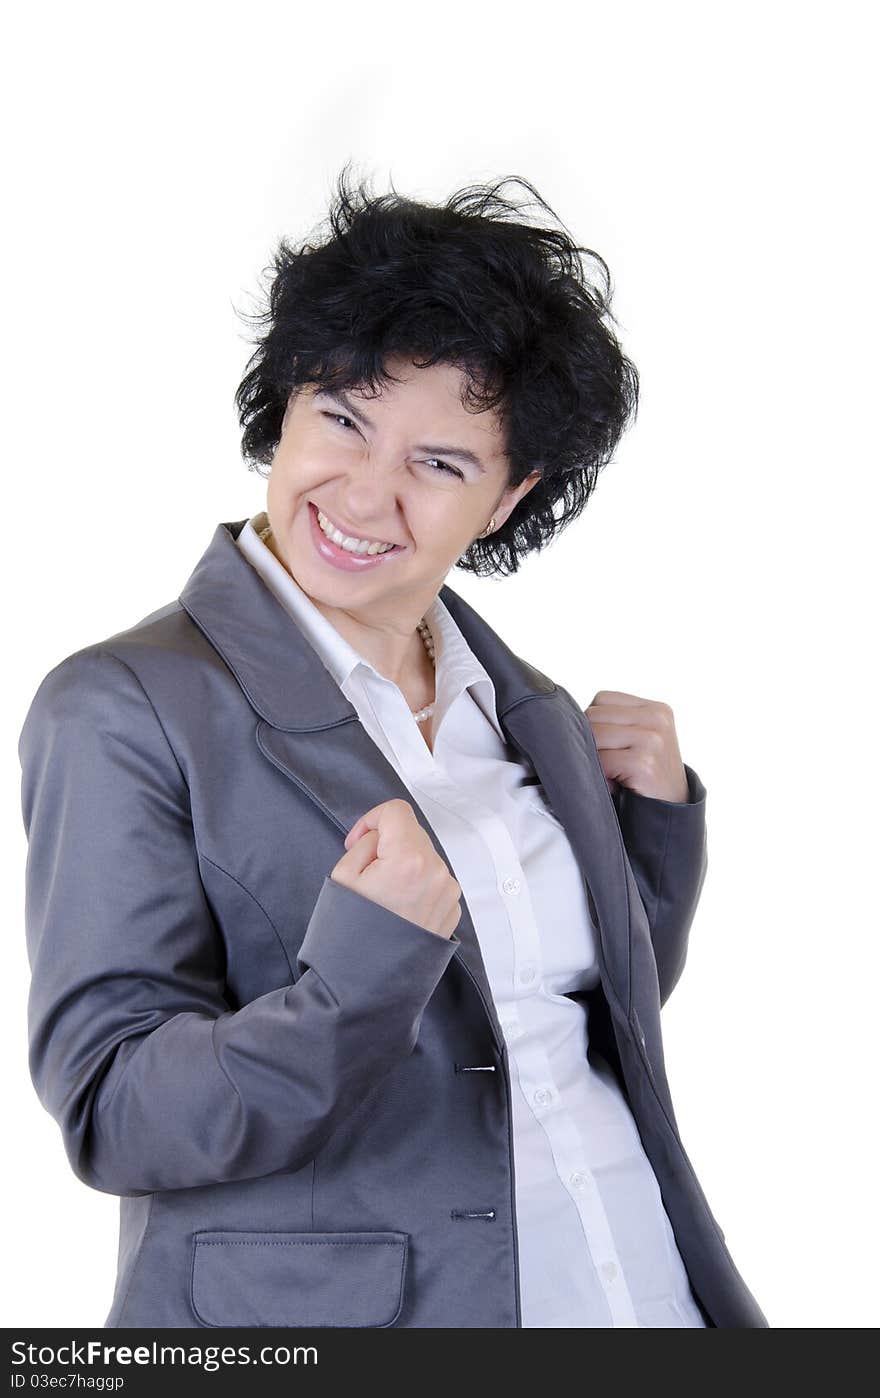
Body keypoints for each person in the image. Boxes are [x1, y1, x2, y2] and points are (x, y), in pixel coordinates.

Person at [18, 166, 768, 1328]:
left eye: (440, 463)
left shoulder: (526, 708)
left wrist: (652, 842)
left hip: (639, 1287)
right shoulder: (124, 705)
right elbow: (116, 1113)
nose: (366, 495)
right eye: (344, 419)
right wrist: (356, 973)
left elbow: (545, 1014)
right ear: (285, 405)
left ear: (508, 499)